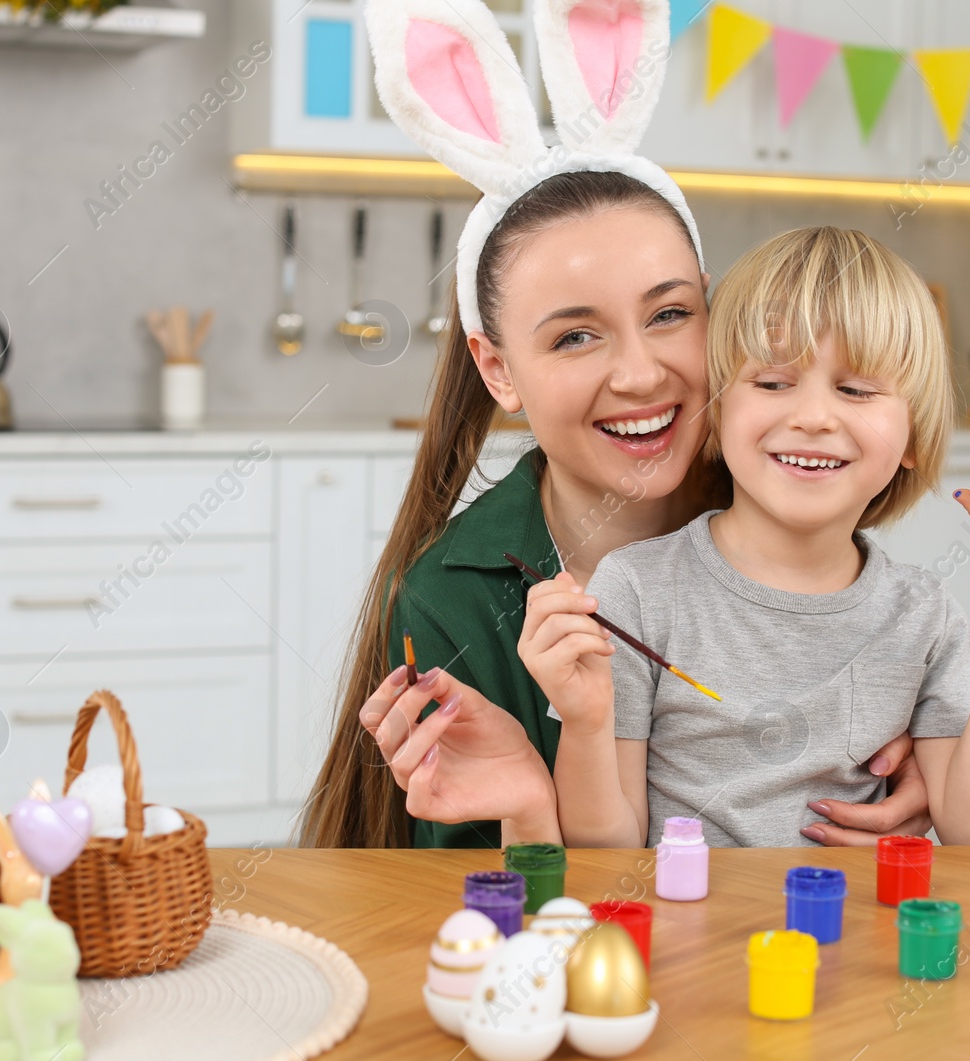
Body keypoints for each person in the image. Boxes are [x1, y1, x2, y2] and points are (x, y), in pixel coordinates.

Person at [298, 0, 931, 848]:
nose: (639, 373)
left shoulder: (788, 489)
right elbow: (476, 924)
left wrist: (923, 754)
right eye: (575, 335)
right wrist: (533, 802)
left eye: (671, 314)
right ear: (498, 370)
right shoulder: (452, 600)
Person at [518, 227, 970, 847]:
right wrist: (588, 722)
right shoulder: (638, 591)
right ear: (717, 409)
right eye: (772, 383)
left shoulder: (921, 618)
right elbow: (604, 852)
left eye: (856, 390)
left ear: (915, 438)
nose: (813, 416)